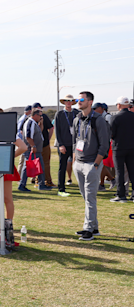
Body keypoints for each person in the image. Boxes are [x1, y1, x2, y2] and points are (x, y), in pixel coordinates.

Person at [72, 91, 109, 241]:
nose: (78, 102)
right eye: (77, 99)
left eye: (82, 99)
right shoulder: (77, 119)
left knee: (90, 197)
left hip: (91, 164)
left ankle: (88, 229)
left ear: (90, 102)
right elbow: (75, 141)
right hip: (79, 163)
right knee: (86, 197)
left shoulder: (98, 120)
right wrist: (75, 160)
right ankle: (94, 227)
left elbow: (104, 144)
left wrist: (96, 163)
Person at [0, 109, 28, 230]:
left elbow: (23, 147)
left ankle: (8, 225)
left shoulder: (8, 132)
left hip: (4, 166)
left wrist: (9, 156)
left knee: (6, 198)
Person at [18, 109, 52, 191]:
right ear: (35, 115)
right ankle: (22, 185)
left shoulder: (34, 123)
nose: (41, 117)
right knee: (27, 167)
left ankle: (41, 184)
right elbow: (28, 136)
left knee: (40, 167)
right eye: (40, 115)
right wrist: (33, 146)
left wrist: (41, 122)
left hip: (36, 149)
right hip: (31, 149)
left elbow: (40, 131)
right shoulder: (30, 122)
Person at [54, 94, 80, 196]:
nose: (68, 102)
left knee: (79, 166)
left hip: (75, 145)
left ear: (73, 102)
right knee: (62, 166)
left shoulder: (77, 113)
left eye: (70, 100)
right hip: (64, 145)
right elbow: (57, 131)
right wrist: (61, 145)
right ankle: (61, 189)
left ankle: (82, 187)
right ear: (64, 102)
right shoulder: (59, 114)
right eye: (66, 100)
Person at [109, 96, 134, 203]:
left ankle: (121, 195)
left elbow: (112, 134)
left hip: (118, 148)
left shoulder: (115, 117)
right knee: (132, 171)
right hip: (132, 147)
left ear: (119, 105)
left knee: (119, 172)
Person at [33, 103, 54, 187]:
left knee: (43, 163)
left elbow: (51, 128)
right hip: (38, 144)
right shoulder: (33, 118)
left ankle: (44, 181)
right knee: (41, 163)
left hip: (41, 144)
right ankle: (42, 181)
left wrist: (48, 139)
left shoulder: (43, 117)